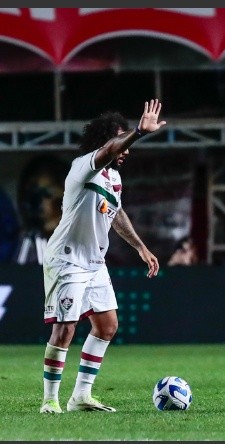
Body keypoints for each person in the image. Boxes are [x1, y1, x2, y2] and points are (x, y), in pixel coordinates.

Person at [39, 99, 167, 414]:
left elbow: (117, 213)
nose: (126, 149)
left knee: (107, 326)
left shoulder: (114, 179)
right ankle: (50, 400)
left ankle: (80, 396)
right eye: (122, 141)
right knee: (65, 328)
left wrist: (140, 246)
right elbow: (111, 149)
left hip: (95, 263)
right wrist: (138, 131)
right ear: (107, 141)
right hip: (67, 258)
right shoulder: (83, 165)